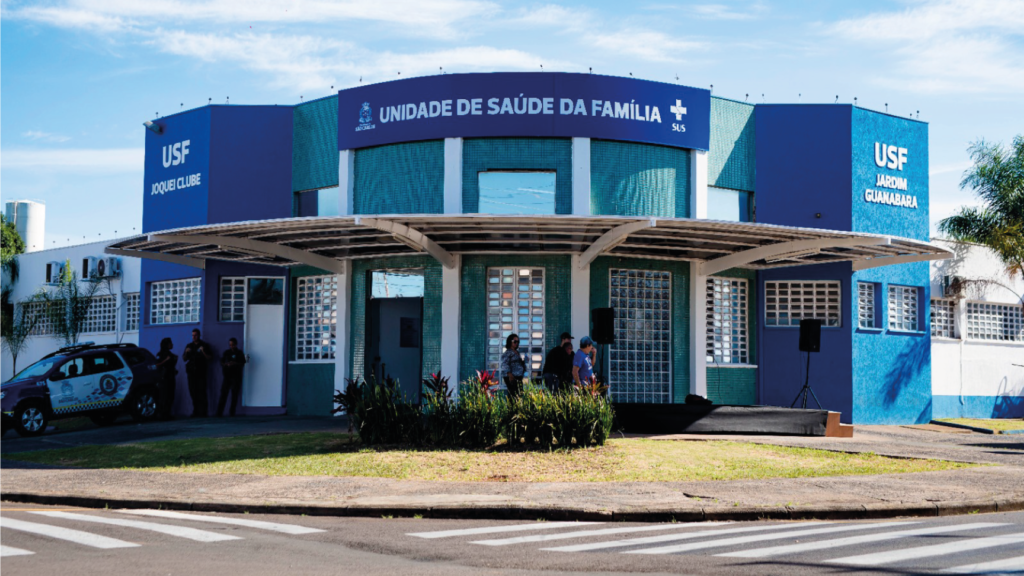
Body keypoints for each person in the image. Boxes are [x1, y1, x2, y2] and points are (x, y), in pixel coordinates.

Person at [182, 328, 213, 417]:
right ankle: (195, 411)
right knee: (193, 391)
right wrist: (186, 352)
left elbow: (210, 357)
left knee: (202, 391)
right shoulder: (189, 346)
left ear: (199, 335)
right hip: (191, 372)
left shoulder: (204, 345)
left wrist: (203, 351)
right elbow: (184, 359)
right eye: (193, 335)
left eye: (195, 335)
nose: (194, 337)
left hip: (201, 372)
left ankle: (203, 412)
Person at [216, 337, 247, 417]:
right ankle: (219, 412)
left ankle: (232, 412)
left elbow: (242, 363)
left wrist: (234, 363)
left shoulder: (239, 353)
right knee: (223, 394)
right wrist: (226, 364)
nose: (231, 346)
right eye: (230, 345)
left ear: (236, 345)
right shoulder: (227, 353)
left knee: (234, 395)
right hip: (227, 376)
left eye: (233, 345)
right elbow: (222, 362)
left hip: (236, 377)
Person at [154, 337, 178, 421]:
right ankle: (162, 414)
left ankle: (167, 413)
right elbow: (157, 365)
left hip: (170, 377)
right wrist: (166, 360)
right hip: (164, 378)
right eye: (170, 343)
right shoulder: (160, 354)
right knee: (164, 396)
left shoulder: (170, 354)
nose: (172, 345)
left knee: (170, 396)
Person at [499, 333, 529, 397]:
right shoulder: (508, 352)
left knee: (519, 393)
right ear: (510, 341)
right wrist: (510, 375)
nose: (516, 343)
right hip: (512, 376)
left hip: (518, 376)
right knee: (513, 394)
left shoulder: (517, 352)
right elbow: (505, 364)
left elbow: (517, 363)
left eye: (518, 342)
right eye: (515, 341)